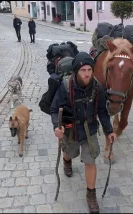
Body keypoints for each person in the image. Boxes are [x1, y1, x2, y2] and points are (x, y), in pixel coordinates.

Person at [50, 52, 117, 213]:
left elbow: (102, 111)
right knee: (69, 153)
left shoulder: (97, 87)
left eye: (89, 70)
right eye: (83, 70)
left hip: (90, 129)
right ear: (76, 71)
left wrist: (109, 131)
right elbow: (53, 109)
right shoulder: (65, 87)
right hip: (70, 128)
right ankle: (67, 161)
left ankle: (91, 195)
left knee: (90, 161)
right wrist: (56, 127)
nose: (87, 74)